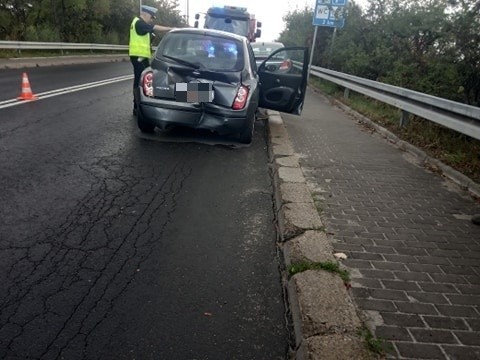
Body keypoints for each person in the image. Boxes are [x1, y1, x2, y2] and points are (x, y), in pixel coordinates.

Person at [129, 5, 172, 116]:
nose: (151, 19)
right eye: (151, 17)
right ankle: (138, 107)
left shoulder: (137, 23)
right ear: (146, 14)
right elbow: (155, 27)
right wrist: (170, 29)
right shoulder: (139, 23)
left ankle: (138, 106)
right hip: (139, 57)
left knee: (141, 81)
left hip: (140, 57)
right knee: (141, 81)